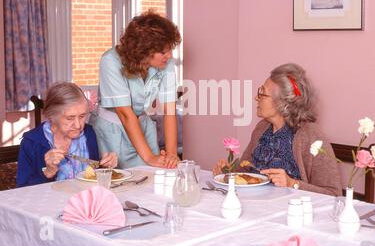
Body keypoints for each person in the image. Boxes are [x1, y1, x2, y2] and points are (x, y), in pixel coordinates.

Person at [213, 63, 342, 196]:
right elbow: (244, 171)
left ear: (282, 103)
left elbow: (334, 194)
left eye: (262, 94)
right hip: (255, 206)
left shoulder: (311, 135)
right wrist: (227, 173)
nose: (256, 98)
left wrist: (292, 183)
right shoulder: (262, 128)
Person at [90, 11, 181, 169]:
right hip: (114, 130)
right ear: (145, 50)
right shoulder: (110, 61)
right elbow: (125, 114)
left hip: (143, 127)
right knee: (121, 184)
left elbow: (170, 110)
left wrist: (172, 154)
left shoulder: (167, 63)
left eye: (170, 49)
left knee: (153, 177)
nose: (169, 55)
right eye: (163, 51)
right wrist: (149, 157)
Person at [16, 82, 117, 187]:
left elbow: (92, 175)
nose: (78, 125)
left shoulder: (88, 133)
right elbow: (23, 188)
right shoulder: (31, 142)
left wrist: (105, 167)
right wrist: (47, 173)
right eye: (70, 118)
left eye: (82, 116)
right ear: (52, 116)